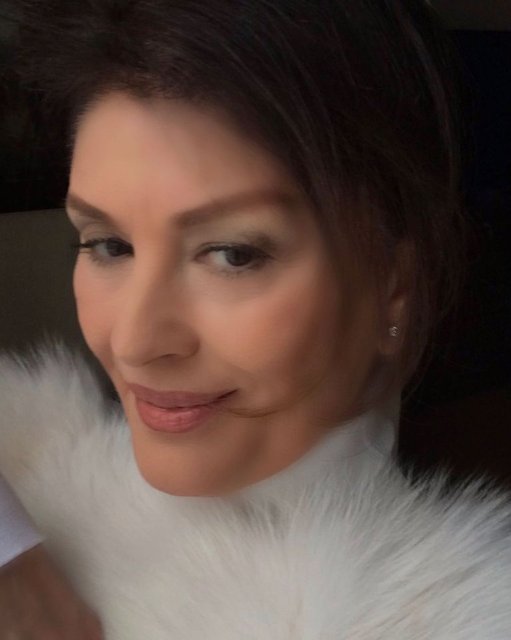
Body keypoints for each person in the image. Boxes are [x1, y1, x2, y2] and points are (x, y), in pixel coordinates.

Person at [1, 0, 510, 637]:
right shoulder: (27, 459)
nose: (134, 341)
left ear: (394, 284)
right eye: (109, 245)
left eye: (233, 254)